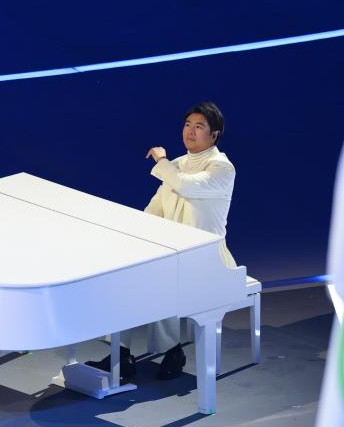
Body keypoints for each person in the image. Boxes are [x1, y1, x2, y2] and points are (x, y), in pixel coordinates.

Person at [90, 101, 237, 381]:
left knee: (160, 277)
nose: (190, 131)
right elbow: (154, 209)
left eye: (199, 126)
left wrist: (161, 161)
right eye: (187, 125)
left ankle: (172, 350)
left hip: (207, 257)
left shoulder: (222, 168)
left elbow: (185, 185)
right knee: (121, 272)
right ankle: (121, 352)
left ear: (214, 134)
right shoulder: (177, 165)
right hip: (172, 250)